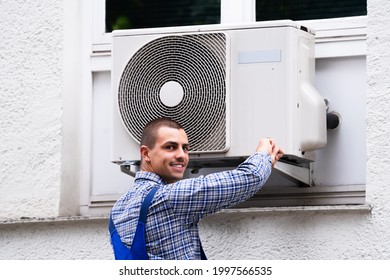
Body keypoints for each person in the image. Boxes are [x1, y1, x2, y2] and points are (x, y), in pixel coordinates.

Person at [110, 117, 284, 260]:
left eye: (185, 148)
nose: (181, 155)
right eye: (170, 147)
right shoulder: (169, 198)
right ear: (146, 153)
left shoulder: (118, 209)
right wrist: (263, 154)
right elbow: (249, 178)